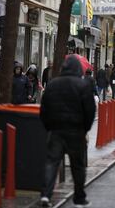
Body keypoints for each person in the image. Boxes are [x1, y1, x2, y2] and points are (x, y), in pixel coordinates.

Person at [39, 55, 96, 208]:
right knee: (77, 165)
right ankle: (79, 197)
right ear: (78, 69)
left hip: (56, 129)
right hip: (76, 130)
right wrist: (85, 128)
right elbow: (90, 110)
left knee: (51, 162)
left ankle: (45, 195)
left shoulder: (52, 84)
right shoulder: (82, 85)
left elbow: (44, 108)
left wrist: (49, 126)